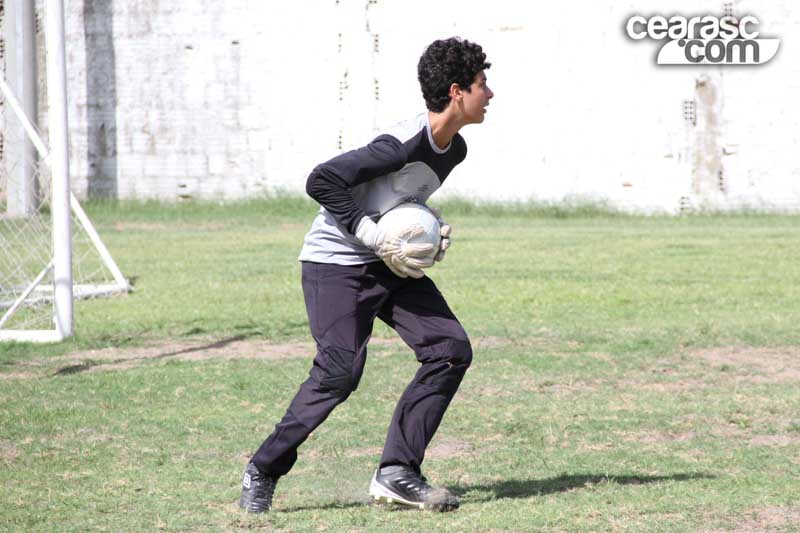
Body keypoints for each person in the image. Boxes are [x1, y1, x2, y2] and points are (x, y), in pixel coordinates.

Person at [239, 36, 493, 513]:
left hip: (385, 264)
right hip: (335, 262)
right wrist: (368, 231)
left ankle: (398, 472)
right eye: (483, 84)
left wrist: (424, 229)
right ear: (457, 91)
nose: (491, 94)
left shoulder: (453, 149)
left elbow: (397, 198)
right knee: (338, 374)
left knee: (450, 350)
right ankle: (262, 468)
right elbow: (323, 180)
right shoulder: (400, 144)